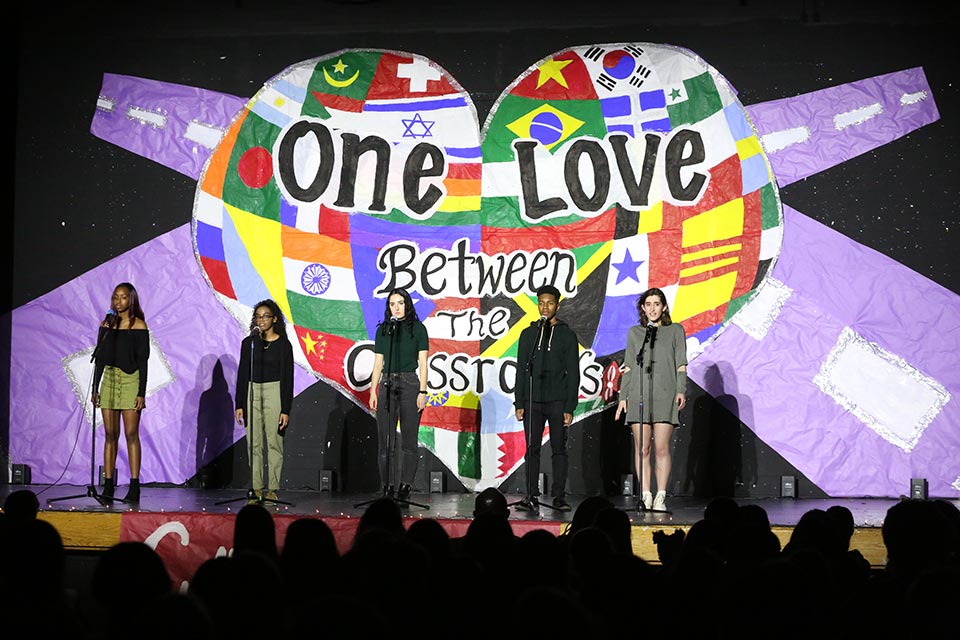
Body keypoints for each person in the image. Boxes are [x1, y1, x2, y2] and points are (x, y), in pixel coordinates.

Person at [616, 287, 687, 512]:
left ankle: (661, 496)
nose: (653, 308)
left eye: (657, 304)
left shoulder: (675, 330)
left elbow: (681, 365)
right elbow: (628, 367)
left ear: (664, 307)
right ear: (643, 308)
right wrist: (623, 396)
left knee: (661, 449)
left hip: (665, 395)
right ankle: (645, 494)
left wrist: (681, 390)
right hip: (639, 394)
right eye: (648, 304)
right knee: (642, 449)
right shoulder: (636, 333)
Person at [514, 283, 580, 513]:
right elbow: (522, 369)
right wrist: (519, 402)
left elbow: (573, 373)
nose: (545, 307)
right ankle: (530, 494)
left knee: (558, 449)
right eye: (541, 303)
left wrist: (570, 406)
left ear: (557, 306)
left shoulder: (567, 335)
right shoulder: (528, 334)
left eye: (550, 303)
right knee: (531, 448)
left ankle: (559, 496)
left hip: (557, 401)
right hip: (533, 401)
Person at [368, 287, 429, 504]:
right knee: (386, 441)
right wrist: (373, 390)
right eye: (392, 304)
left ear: (407, 304)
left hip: (410, 383)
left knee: (409, 441)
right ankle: (387, 486)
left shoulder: (418, 329)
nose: (397, 307)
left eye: (400, 303)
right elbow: (378, 363)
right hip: (387, 383)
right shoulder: (384, 330)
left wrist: (422, 391)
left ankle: (405, 486)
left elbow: (423, 363)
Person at [92, 282, 150, 502]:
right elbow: (99, 359)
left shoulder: (139, 326)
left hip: (130, 380)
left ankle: (134, 486)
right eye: (115, 297)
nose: (118, 301)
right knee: (110, 434)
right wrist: (95, 388)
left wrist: (141, 393)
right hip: (109, 378)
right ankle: (108, 485)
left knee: (131, 434)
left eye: (123, 297)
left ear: (131, 300)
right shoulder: (107, 324)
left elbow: (143, 363)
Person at [235, 299, 294, 502]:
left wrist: (285, 408)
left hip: (274, 391)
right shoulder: (249, 344)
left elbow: (288, 379)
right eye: (258, 316)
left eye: (265, 316)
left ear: (274, 318)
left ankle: (272, 488)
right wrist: (239, 404)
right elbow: (242, 374)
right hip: (252, 390)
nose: (261, 320)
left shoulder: (284, 345)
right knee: (254, 442)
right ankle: (256, 487)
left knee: (274, 441)